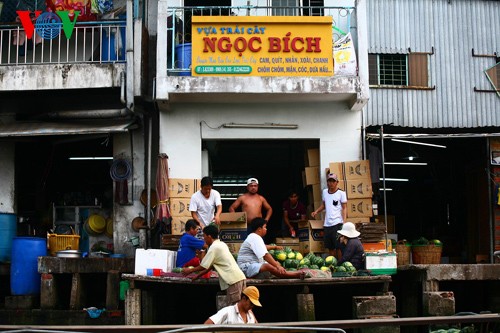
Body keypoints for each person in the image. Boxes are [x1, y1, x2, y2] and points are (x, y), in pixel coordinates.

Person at [182, 224, 246, 305]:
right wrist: (198, 275)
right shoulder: (221, 244)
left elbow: (203, 266)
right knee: (242, 308)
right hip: (239, 278)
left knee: (235, 309)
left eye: (204, 236)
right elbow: (210, 265)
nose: (204, 239)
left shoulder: (214, 248)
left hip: (233, 281)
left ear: (209, 236)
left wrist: (190, 270)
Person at [237, 218, 305, 279]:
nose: (266, 229)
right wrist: (277, 266)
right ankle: (292, 274)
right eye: (265, 227)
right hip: (246, 267)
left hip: (252, 265)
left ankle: (287, 273)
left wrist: (274, 247)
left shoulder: (253, 237)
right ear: (259, 229)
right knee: (268, 266)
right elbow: (265, 255)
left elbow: (263, 247)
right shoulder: (255, 237)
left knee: (271, 265)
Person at [311, 173, 347, 260]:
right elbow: (324, 205)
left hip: (337, 222)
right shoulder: (325, 192)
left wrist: (344, 222)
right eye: (329, 181)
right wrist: (316, 211)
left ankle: (340, 263)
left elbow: (344, 208)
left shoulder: (341, 193)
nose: (331, 183)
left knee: (338, 246)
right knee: (330, 247)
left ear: (337, 182)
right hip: (327, 224)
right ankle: (332, 264)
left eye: (333, 181)